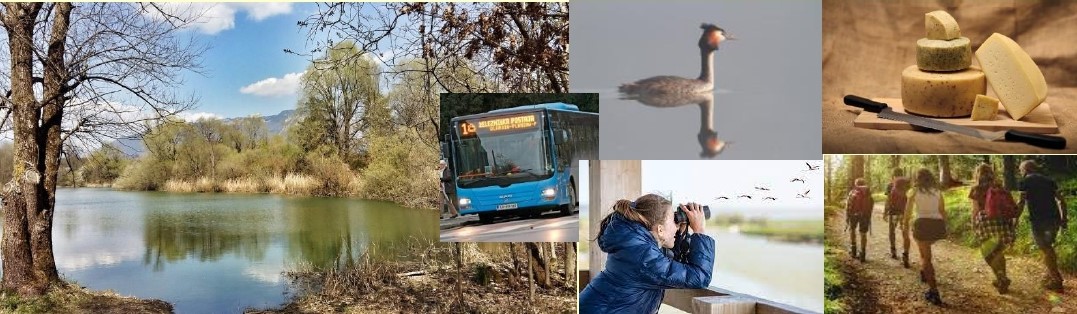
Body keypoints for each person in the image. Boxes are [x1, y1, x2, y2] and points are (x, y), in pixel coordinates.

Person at [579, 194, 714, 314]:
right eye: (674, 220)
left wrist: (680, 233)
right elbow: (699, 276)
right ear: (660, 230)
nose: (677, 225)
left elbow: (673, 268)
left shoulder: (634, 247)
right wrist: (700, 231)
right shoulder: (643, 257)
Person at [1017, 160, 1069, 292]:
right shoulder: (1049, 181)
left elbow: (1021, 203)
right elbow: (1061, 201)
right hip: (1054, 219)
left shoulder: (1024, 182)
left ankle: (1056, 280)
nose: (1021, 172)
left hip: (1039, 221)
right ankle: (1051, 276)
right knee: (1048, 247)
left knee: (1046, 249)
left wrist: (1014, 219)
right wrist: (1064, 219)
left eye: (1021, 170)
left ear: (1025, 170)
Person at [967, 163, 1015, 294]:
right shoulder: (999, 186)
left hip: (986, 221)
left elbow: (975, 210)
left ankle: (1000, 277)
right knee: (999, 251)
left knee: (987, 253)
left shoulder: (976, 188)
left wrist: (973, 225)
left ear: (978, 174)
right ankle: (1002, 278)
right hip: (1002, 220)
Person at [905, 168, 947, 306]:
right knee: (925, 252)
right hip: (937, 225)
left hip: (922, 224)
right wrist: (944, 227)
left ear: (917, 178)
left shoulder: (914, 191)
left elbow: (908, 211)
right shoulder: (938, 192)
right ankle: (924, 272)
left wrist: (905, 225)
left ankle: (933, 292)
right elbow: (942, 211)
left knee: (926, 257)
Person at [884, 168, 911, 267]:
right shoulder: (907, 184)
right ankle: (905, 254)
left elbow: (887, 200)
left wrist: (885, 212)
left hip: (893, 212)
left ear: (893, 175)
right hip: (904, 212)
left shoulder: (890, 185)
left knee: (892, 231)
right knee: (905, 232)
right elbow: (910, 198)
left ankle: (893, 251)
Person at [846, 178, 873, 262]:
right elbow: (871, 205)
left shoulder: (852, 192)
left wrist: (847, 216)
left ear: (856, 184)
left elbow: (848, 205)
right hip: (864, 215)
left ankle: (853, 250)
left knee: (852, 230)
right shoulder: (868, 194)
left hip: (854, 215)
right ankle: (863, 254)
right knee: (863, 234)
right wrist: (868, 216)